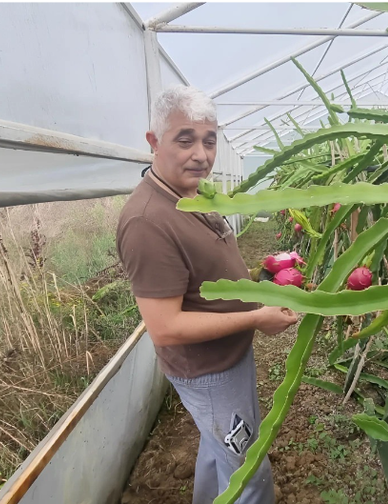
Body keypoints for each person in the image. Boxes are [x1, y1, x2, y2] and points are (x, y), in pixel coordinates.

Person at [116, 85, 297, 504]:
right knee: (246, 469)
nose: (201, 154)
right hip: (209, 372)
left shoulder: (189, 194)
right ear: (154, 142)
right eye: (185, 140)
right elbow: (165, 327)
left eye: (209, 140)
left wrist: (256, 287)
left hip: (226, 358)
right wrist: (255, 317)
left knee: (219, 452)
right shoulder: (147, 221)